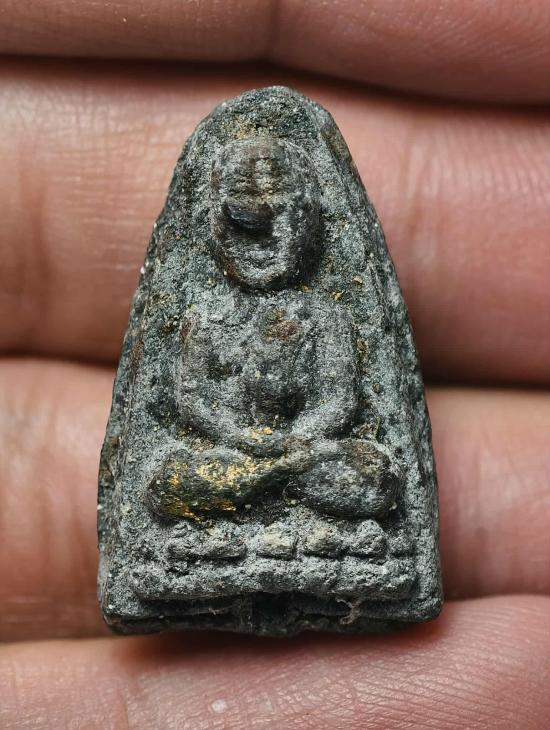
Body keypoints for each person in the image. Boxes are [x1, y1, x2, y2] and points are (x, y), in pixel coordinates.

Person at [1, 1, 549, 727]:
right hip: (235, 457)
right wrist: (255, 449)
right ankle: (268, 547)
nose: (266, 229)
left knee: (375, 478)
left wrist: (292, 449)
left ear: (316, 218)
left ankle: (269, 548)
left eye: (286, 211)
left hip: (308, 457)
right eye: (244, 216)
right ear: (212, 221)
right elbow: (192, 403)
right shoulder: (203, 315)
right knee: (169, 483)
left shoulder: (326, 313)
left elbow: (341, 403)